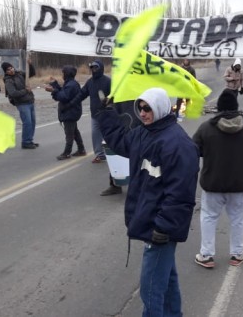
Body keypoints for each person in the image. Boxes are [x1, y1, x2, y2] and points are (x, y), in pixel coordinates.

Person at [96, 87, 199, 316]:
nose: (142, 113)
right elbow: (121, 141)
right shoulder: (145, 132)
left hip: (159, 228)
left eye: (147, 108)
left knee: (151, 289)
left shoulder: (177, 144)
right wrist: (106, 114)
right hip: (152, 223)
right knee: (167, 281)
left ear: (160, 108)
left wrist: (163, 227)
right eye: (140, 108)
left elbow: (180, 193)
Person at [192, 89, 243, 268]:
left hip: (212, 184)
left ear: (219, 107)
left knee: (208, 217)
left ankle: (206, 255)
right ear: (236, 107)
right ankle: (237, 254)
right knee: (237, 219)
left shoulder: (206, 128)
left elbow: (194, 150)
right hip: (238, 185)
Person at [69, 60, 111, 163]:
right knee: (95, 135)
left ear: (100, 68)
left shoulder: (108, 81)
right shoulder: (90, 82)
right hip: (95, 114)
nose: (93, 69)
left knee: (109, 135)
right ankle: (100, 155)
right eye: (92, 68)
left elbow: (115, 96)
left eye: (95, 67)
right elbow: (81, 94)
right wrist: (71, 104)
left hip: (107, 114)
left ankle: (114, 152)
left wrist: (109, 101)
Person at [46, 65, 85, 160]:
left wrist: (53, 90)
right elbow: (63, 92)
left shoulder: (71, 85)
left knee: (69, 134)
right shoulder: (70, 83)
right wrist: (54, 84)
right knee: (75, 132)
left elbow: (63, 97)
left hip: (70, 112)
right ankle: (81, 150)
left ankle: (67, 153)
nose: (62, 75)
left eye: (63, 73)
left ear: (67, 74)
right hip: (71, 111)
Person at [3, 62, 39, 149]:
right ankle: (26, 142)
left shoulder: (20, 74)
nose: (11, 70)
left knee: (32, 122)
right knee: (27, 123)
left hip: (30, 101)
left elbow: (32, 73)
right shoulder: (8, 81)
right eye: (8, 69)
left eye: (11, 67)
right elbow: (13, 93)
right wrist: (26, 91)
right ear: (6, 72)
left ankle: (30, 140)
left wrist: (30, 64)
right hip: (22, 103)